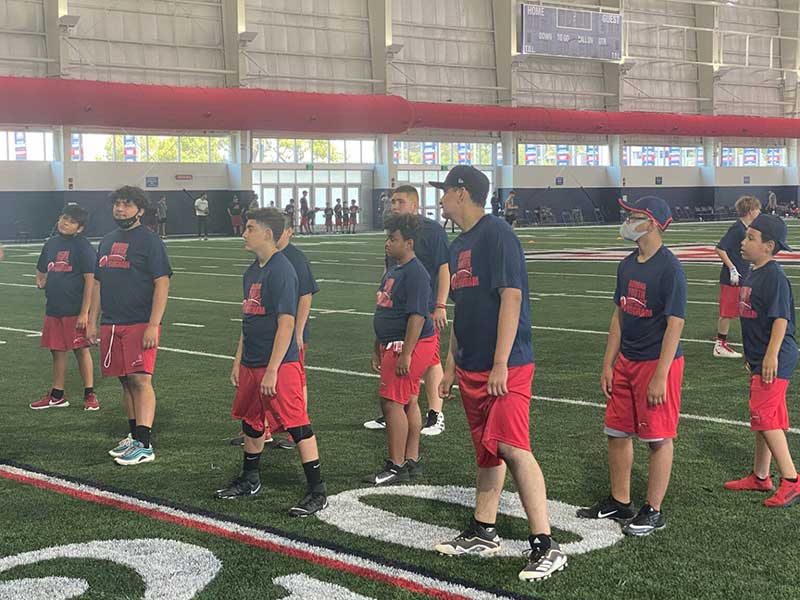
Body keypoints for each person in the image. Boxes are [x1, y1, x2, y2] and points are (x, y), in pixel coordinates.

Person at [433, 166, 566, 581]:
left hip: (504, 367)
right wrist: (452, 365)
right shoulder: (459, 246)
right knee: (488, 452)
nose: (440, 199)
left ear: (461, 192)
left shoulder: (498, 235)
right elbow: (463, 310)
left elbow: (511, 297)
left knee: (512, 446)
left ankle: (546, 544)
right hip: (472, 365)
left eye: (445, 192)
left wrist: (501, 363)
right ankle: (483, 530)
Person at [578, 196, 687, 537]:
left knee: (657, 437)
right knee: (616, 432)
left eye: (634, 215)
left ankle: (653, 510)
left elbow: (675, 325)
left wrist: (660, 375)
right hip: (626, 361)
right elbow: (619, 316)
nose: (627, 220)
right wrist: (608, 363)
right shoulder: (626, 265)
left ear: (652, 222)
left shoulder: (670, 268)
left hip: (656, 363)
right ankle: (619, 499)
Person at [215, 208, 328, 517]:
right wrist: (238, 360)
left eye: (249, 228)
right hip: (252, 361)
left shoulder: (282, 269)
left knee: (297, 424)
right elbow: (248, 319)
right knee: (251, 421)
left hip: (277, 364)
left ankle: (317, 491)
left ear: (267, 234)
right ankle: (251, 479)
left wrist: (274, 368)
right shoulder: (252, 271)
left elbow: (287, 324)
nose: (243, 233)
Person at [88, 186, 172, 466]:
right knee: (125, 380)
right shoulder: (107, 241)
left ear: (140, 210)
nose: (120, 209)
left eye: (126, 204)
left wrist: (153, 324)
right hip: (111, 323)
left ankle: (145, 445)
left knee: (140, 379)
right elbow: (98, 283)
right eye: (117, 204)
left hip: (139, 321)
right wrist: (92, 319)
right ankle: (134, 434)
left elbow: (162, 283)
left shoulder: (151, 241)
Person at [724, 214, 800, 507]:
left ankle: (792, 480)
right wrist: (751, 352)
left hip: (776, 355)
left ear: (768, 246)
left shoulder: (774, 276)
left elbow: (781, 318)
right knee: (765, 418)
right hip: (761, 356)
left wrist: (769, 355)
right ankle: (760, 476)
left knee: (764, 416)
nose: (743, 242)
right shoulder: (754, 271)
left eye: (751, 238)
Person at [364, 185, 450, 436]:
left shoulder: (432, 230)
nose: (394, 205)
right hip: (397, 306)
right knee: (395, 351)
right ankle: (394, 409)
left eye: (400, 201)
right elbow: (388, 267)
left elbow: (444, 268)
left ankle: (435, 414)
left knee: (431, 359)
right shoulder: (394, 234)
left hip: (424, 307)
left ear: (414, 205)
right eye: (392, 201)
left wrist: (440, 305)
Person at [367, 213, 437, 484]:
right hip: (393, 342)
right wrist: (377, 345)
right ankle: (411, 458)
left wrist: (406, 353)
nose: (387, 243)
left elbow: (417, 316)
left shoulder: (416, 273)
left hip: (407, 344)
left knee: (391, 401)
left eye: (393, 239)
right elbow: (383, 308)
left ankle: (395, 465)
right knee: (408, 399)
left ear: (408, 243)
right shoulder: (394, 268)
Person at [31, 204, 99, 412]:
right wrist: (40, 280)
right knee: (57, 351)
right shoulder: (51, 244)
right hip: (54, 307)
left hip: (74, 309)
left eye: (70, 221)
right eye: (63, 218)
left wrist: (84, 313)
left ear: (80, 228)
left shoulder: (83, 246)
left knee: (81, 350)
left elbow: (91, 280)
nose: (64, 222)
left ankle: (90, 393)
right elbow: (41, 268)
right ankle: (57, 394)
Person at [714, 196, 761, 359]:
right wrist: (732, 268)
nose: (759, 212)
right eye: (757, 209)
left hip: (744, 275)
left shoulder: (747, 229)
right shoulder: (737, 228)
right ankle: (720, 345)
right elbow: (720, 248)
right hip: (732, 278)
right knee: (727, 311)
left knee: (745, 310)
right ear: (750, 211)